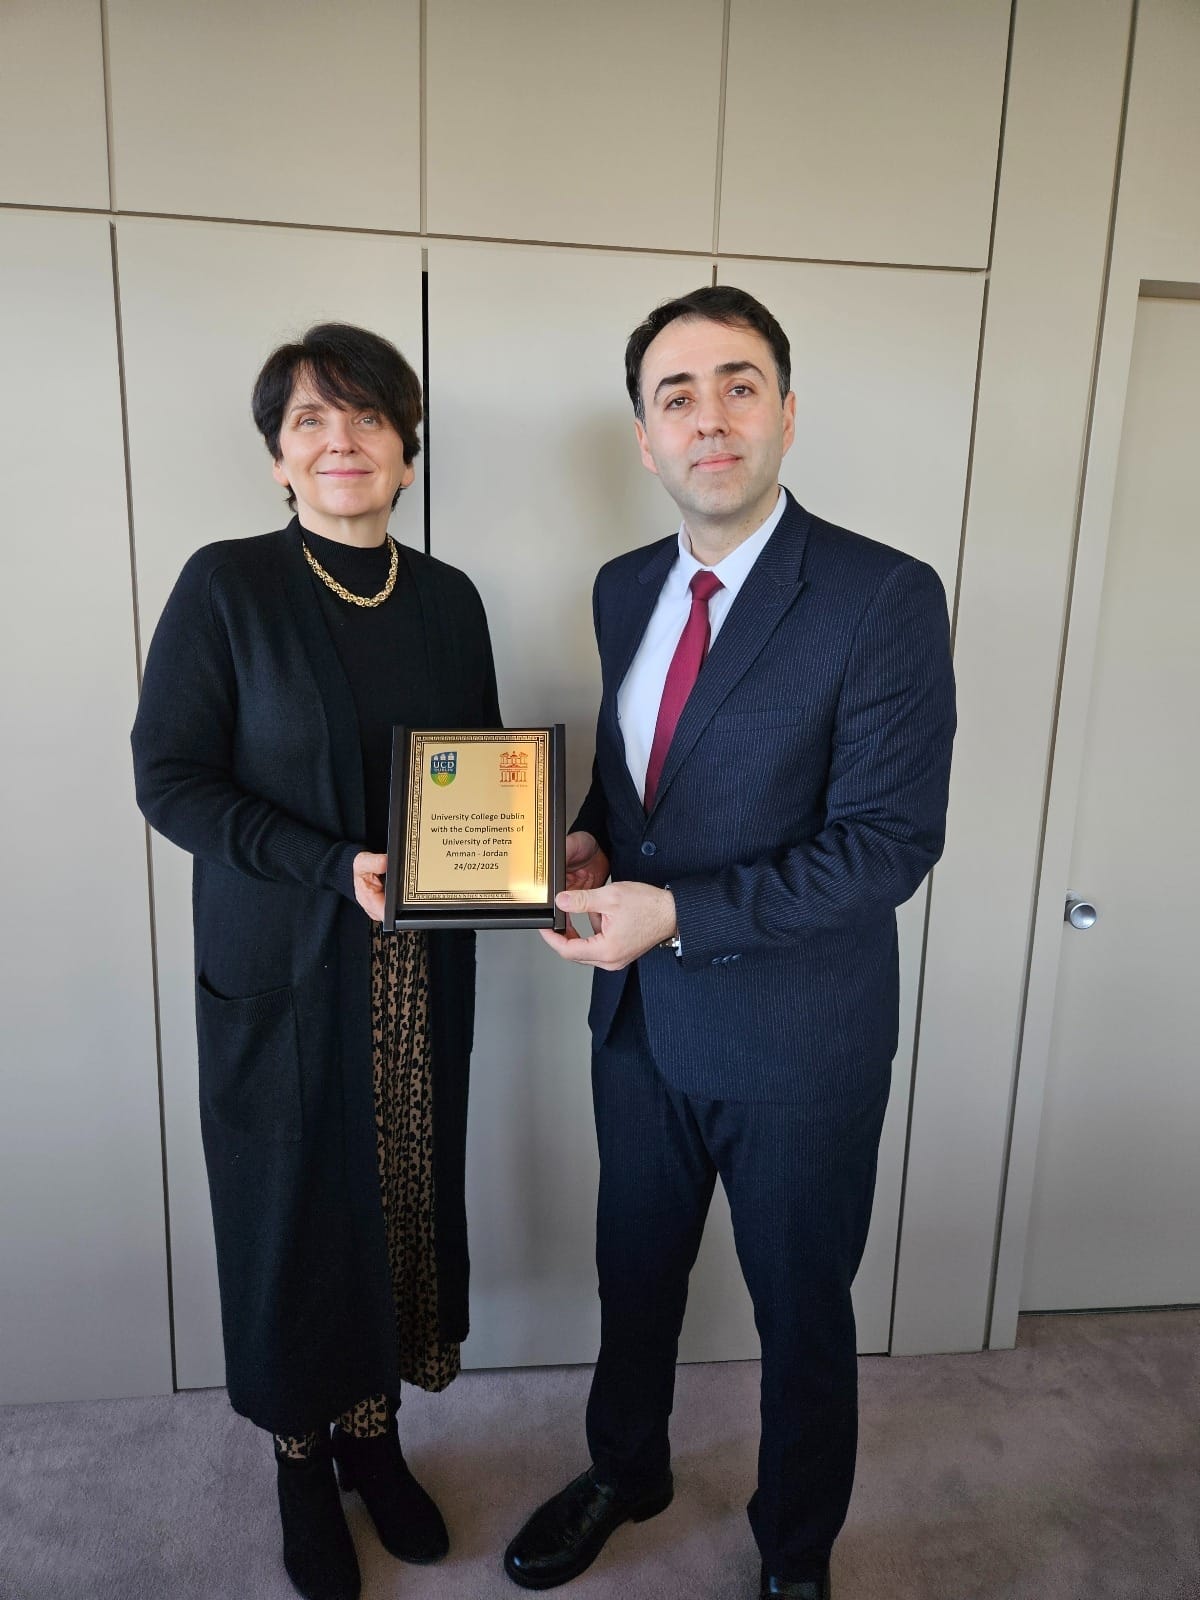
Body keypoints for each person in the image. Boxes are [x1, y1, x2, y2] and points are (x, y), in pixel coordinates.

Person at [503, 287, 956, 1599]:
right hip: (641, 1024)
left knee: (801, 1314)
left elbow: (886, 846)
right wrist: (589, 845)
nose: (710, 419)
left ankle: (794, 1553)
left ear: (787, 415)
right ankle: (626, 1470)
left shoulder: (882, 596)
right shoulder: (623, 587)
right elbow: (642, 783)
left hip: (799, 1041)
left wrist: (681, 912)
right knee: (634, 1273)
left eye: (739, 386)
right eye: (678, 396)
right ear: (645, 438)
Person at [131, 323, 500, 1600]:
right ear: (279, 459)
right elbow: (170, 779)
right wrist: (327, 863)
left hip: (412, 975)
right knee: (291, 1218)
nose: (340, 440)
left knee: (395, 1204)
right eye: (309, 420)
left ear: (406, 451)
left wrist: (527, 857)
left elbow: (479, 773)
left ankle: (373, 1437)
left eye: (367, 417)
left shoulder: (449, 598)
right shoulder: (227, 585)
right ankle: (300, 1459)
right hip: (283, 969)